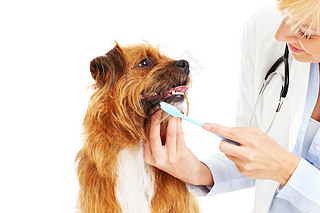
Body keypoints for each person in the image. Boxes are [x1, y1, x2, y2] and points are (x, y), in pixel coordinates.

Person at [144, 0, 320, 212]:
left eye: (306, 32)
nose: (280, 35)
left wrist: (287, 169)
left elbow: (274, 163)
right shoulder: (263, 27)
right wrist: (200, 172)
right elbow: (255, 153)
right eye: (287, 15)